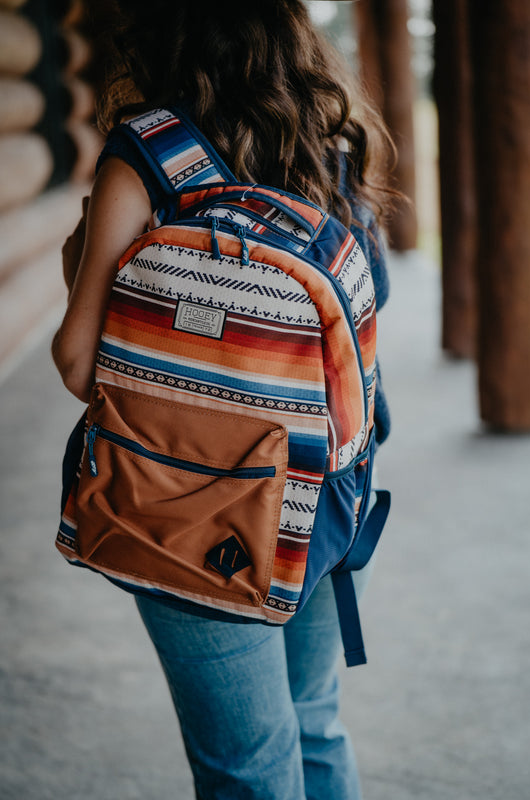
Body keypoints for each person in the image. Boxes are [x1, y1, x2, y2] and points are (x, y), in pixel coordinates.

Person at [52, 2, 394, 798]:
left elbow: (79, 363)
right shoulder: (330, 138)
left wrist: (81, 264)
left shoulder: (147, 152)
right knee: (312, 722)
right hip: (330, 490)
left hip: (192, 506)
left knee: (245, 767)